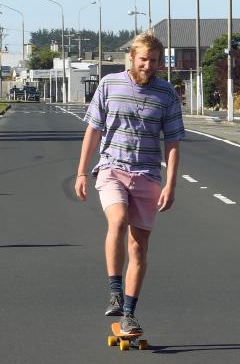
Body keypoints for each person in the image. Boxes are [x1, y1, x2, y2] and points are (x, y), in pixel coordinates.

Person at [74, 32, 185, 335]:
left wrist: (171, 185)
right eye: (144, 59)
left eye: (155, 61)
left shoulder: (167, 94)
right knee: (118, 220)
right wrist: (82, 172)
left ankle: (129, 315)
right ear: (132, 58)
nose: (149, 66)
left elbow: (173, 143)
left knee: (139, 248)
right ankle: (114, 289)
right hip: (112, 168)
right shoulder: (110, 85)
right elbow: (93, 131)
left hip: (148, 175)